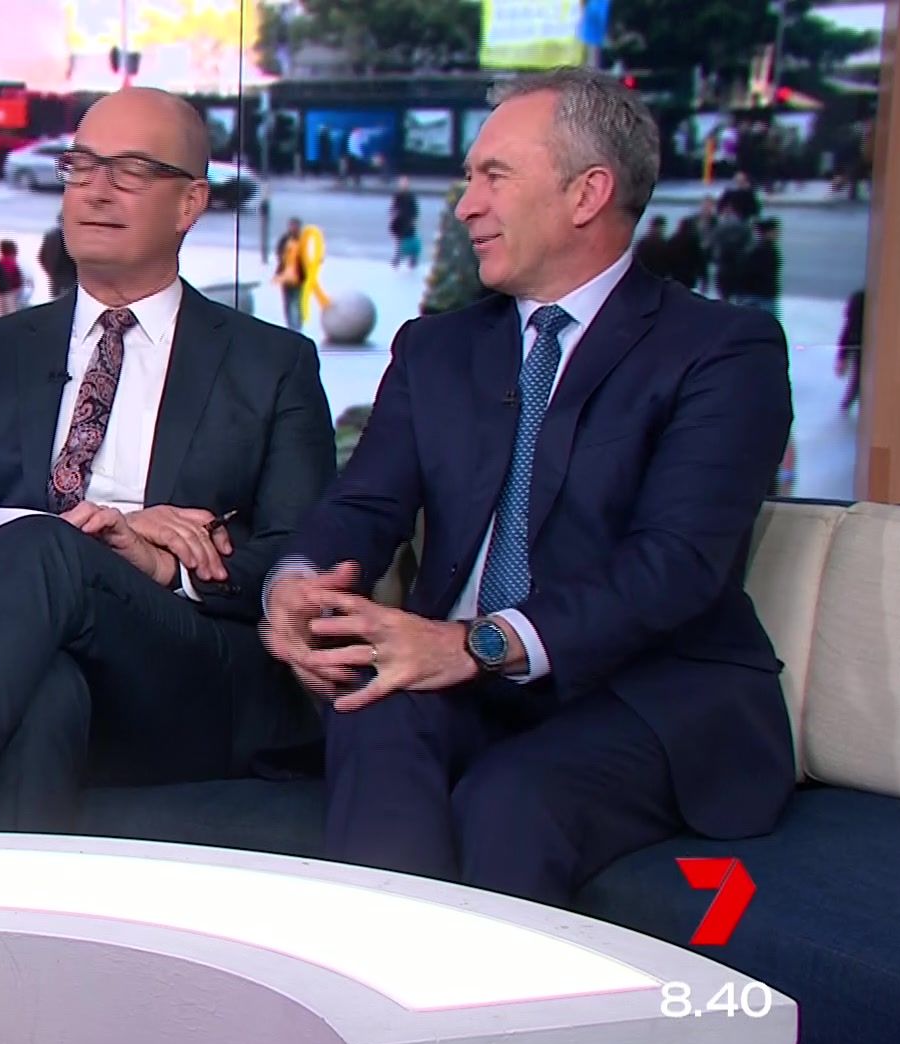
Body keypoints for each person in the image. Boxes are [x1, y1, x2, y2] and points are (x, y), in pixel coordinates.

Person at [261, 68, 794, 907]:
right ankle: (379, 982)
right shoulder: (436, 348)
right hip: (465, 681)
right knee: (374, 714)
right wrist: (295, 581)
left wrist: (477, 642)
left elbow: (676, 563)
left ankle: (475, 998)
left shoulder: (722, 350)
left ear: (588, 193)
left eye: (493, 177)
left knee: (509, 802)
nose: (466, 206)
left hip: (647, 695)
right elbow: (362, 507)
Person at [0, 88, 336, 833]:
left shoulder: (272, 365)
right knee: (44, 682)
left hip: (188, 677)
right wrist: (95, 534)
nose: (95, 191)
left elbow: (301, 554)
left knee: (43, 549)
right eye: (80, 166)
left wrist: (161, 564)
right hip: (22, 664)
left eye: (130, 170)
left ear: (190, 202)